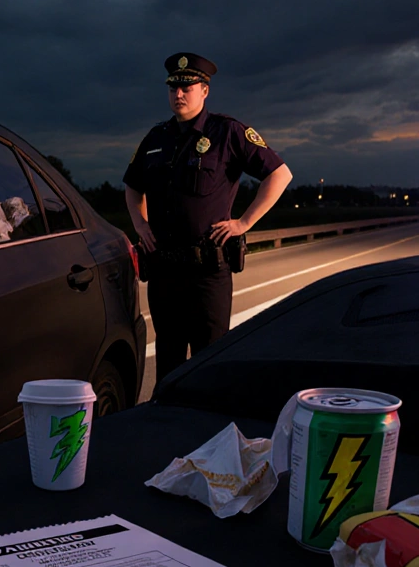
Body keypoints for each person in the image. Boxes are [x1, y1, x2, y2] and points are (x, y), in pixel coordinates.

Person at [123, 52, 294, 380]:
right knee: (169, 364)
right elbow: (132, 187)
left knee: (210, 363)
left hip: (207, 273)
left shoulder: (227, 132)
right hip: (164, 273)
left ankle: (206, 431)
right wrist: (140, 225)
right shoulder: (156, 138)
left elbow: (280, 174)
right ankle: (166, 428)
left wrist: (243, 223)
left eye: (188, 87)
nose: (179, 94)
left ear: (205, 90)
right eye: (174, 88)